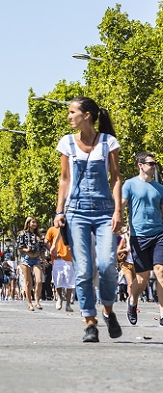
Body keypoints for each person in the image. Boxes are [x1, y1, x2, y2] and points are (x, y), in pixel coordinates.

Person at [54, 96, 123, 343]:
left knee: (106, 266)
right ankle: (90, 321)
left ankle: (108, 309)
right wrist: (59, 211)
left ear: (87, 115)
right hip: (76, 211)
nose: (69, 116)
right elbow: (64, 179)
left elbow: (116, 179)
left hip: (105, 211)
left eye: (73, 112)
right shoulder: (66, 143)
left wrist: (118, 212)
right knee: (83, 270)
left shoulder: (108, 142)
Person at [121, 152, 163, 326]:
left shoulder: (160, 188)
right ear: (140, 165)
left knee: (160, 272)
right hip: (138, 236)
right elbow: (121, 206)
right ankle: (132, 301)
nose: (154, 166)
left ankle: (162, 313)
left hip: (159, 233)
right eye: (151, 163)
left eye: (155, 164)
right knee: (142, 279)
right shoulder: (130, 184)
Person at [16, 216, 44, 311]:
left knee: (39, 280)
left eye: (35, 222)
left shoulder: (39, 236)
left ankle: (37, 301)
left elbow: (42, 249)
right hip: (26, 259)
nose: (34, 224)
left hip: (36, 258)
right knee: (28, 282)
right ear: (28, 223)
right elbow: (19, 247)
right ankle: (30, 303)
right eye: (33, 222)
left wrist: (43, 260)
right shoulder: (22, 234)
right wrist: (25, 249)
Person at [45, 225, 75, 312]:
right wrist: (52, 251)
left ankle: (68, 303)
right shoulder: (52, 229)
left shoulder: (70, 228)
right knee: (57, 281)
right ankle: (59, 297)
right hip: (57, 259)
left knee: (70, 282)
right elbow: (46, 242)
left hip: (68, 258)